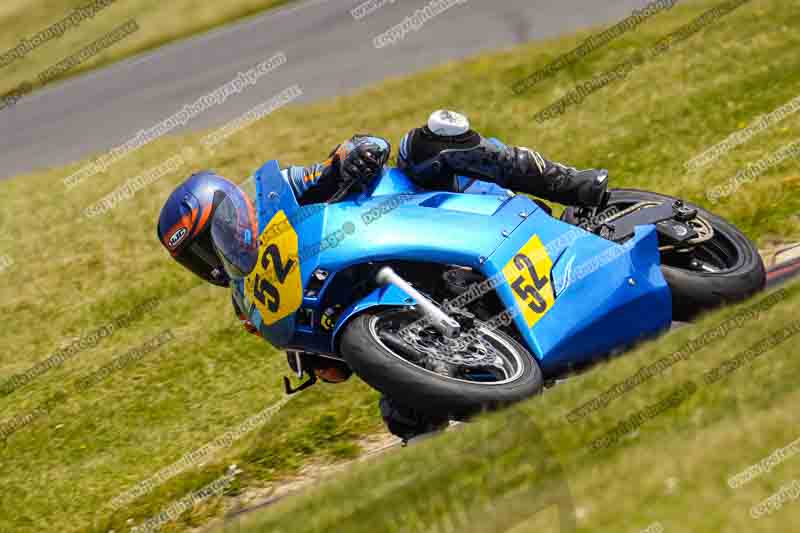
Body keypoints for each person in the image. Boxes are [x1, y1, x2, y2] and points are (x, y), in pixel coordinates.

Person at [156, 110, 609, 440]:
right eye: (199, 254)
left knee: (432, 140)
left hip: (427, 216)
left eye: (212, 234)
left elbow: (357, 149)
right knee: (404, 420)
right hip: (400, 307)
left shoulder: (285, 193)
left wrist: (354, 158)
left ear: (231, 208)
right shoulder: (250, 303)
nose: (215, 253)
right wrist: (317, 358)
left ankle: (570, 184)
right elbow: (331, 366)